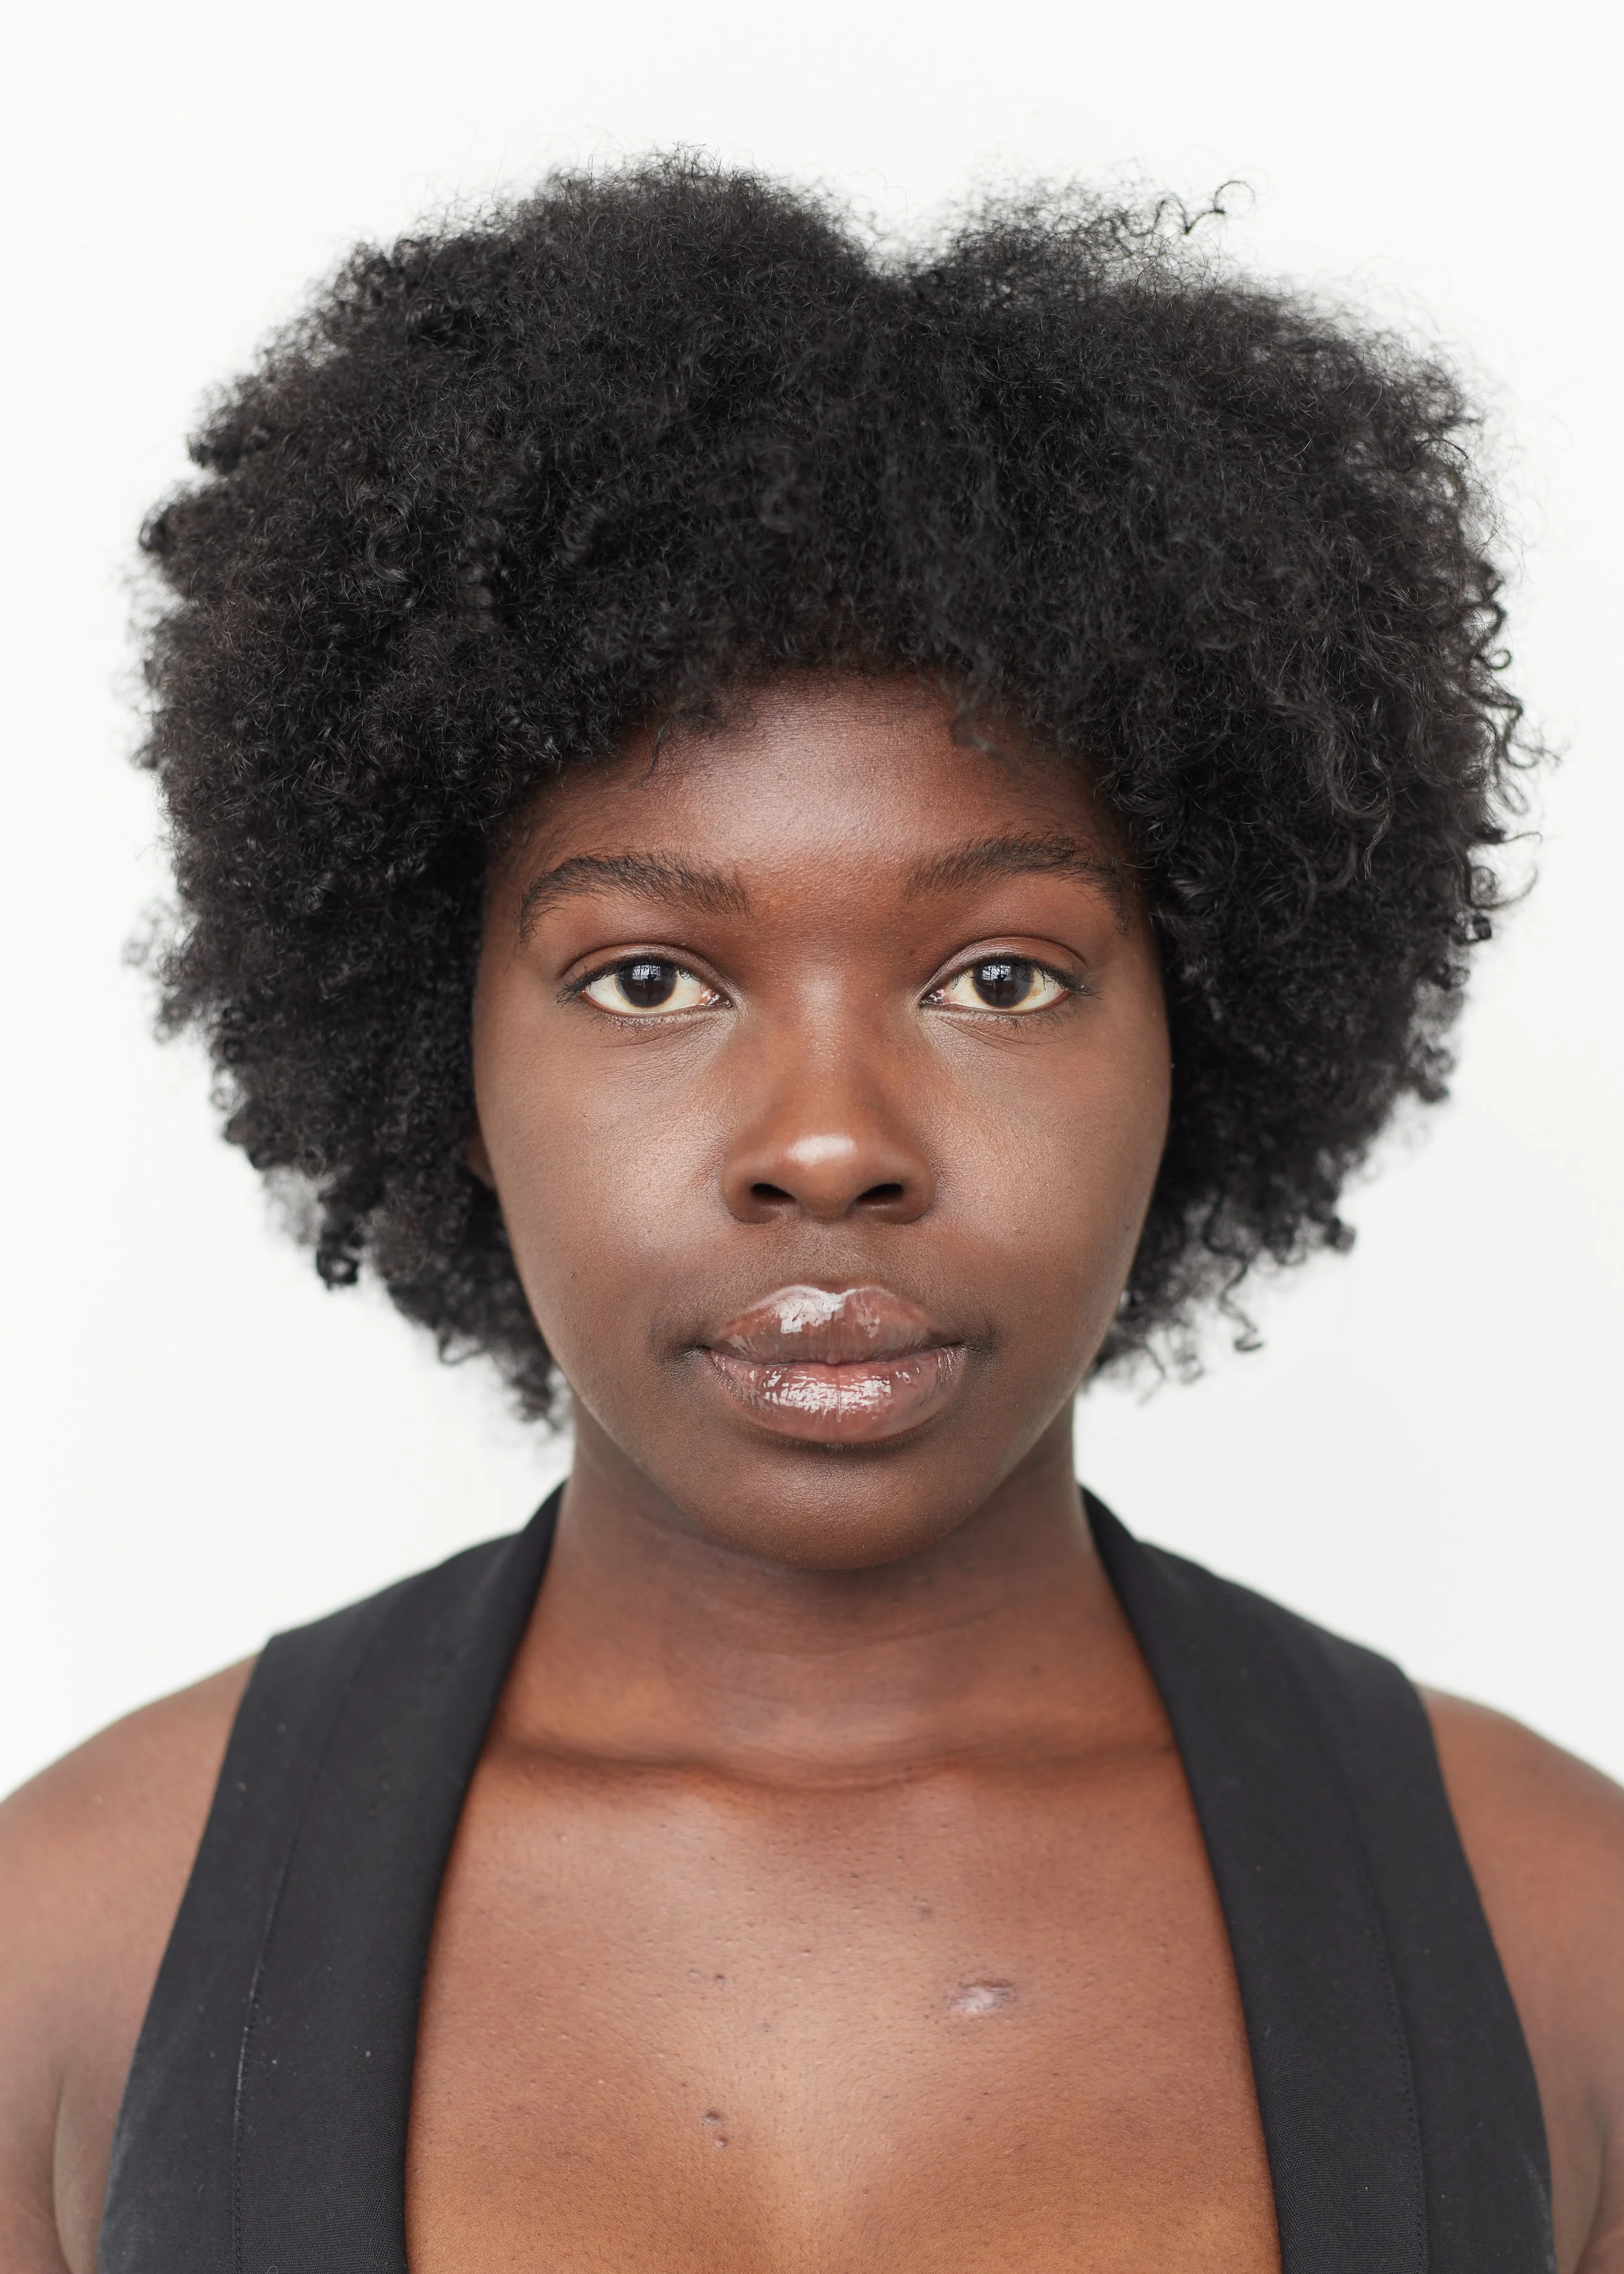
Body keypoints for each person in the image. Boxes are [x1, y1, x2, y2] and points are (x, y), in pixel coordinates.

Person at [1, 157, 1619, 2274]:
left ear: (1200, 1023)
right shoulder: (78, 1939)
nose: (830, 1139)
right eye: (649, 977)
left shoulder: (1554, 1935)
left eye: (999, 974)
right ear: (438, 1039)